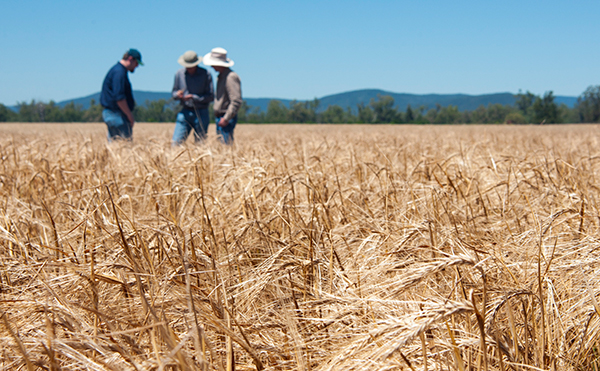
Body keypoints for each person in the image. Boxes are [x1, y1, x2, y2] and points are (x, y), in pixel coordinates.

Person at [172, 50, 214, 145]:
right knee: (175, 143)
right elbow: (173, 93)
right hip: (185, 111)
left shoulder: (206, 74)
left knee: (200, 144)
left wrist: (194, 97)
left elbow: (211, 96)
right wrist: (178, 95)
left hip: (201, 112)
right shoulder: (179, 74)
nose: (189, 68)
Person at [100, 48, 143, 141]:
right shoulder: (119, 73)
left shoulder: (117, 70)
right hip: (117, 114)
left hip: (113, 114)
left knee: (115, 148)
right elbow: (119, 98)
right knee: (124, 146)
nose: (137, 66)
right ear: (130, 59)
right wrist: (130, 116)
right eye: (137, 63)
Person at [203, 47, 242, 144]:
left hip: (225, 118)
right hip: (222, 117)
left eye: (213, 64)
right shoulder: (221, 76)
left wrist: (226, 118)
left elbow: (236, 101)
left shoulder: (230, 77)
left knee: (225, 147)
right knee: (222, 146)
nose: (212, 66)